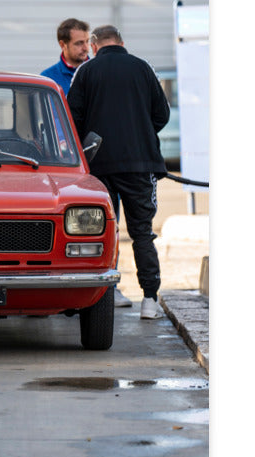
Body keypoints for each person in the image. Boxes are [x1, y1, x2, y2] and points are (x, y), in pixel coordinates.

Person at [67, 24, 170, 317]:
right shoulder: (143, 68)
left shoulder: (86, 72)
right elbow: (162, 114)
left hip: (99, 166)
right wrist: (141, 135)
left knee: (102, 232)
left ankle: (104, 292)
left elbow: (73, 119)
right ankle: (149, 299)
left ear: (96, 46)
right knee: (142, 232)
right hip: (141, 165)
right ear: (122, 43)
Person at [39, 18, 89, 94]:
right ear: (62, 45)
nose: (86, 48)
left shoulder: (99, 72)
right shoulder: (47, 78)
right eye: (79, 43)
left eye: (87, 41)